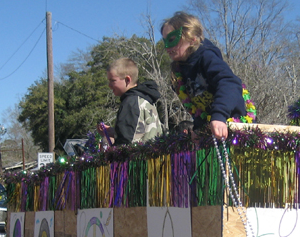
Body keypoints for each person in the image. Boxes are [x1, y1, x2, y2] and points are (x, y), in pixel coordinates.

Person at [160, 12, 246, 141]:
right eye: (164, 41)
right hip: (211, 131)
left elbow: (230, 83)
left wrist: (219, 115)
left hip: (235, 127)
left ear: (192, 38)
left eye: (172, 40)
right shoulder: (178, 72)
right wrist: (198, 129)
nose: (167, 46)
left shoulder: (206, 57)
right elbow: (197, 107)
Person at [98, 58, 163, 146]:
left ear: (127, 80)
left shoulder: (130, 103)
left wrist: (114, 151)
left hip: (138, 155)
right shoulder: (145, 98)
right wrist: (114, 132)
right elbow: (139, 133)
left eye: (112, 80)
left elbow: (126, 143)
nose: (109, 85)